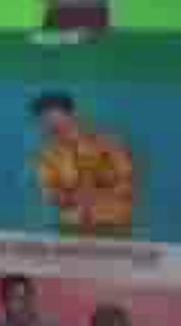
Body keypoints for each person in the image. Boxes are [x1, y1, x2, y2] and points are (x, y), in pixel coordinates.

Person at [30, 93, 137, 240]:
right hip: (71, 228)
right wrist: (72, 199)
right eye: (43, 118)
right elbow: (50, 193)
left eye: (52, 115)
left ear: (71, 114)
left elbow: (127, 178)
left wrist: (100, 196)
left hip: (113, 225)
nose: (48, 122)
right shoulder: (47, 156)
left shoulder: (107, 142)